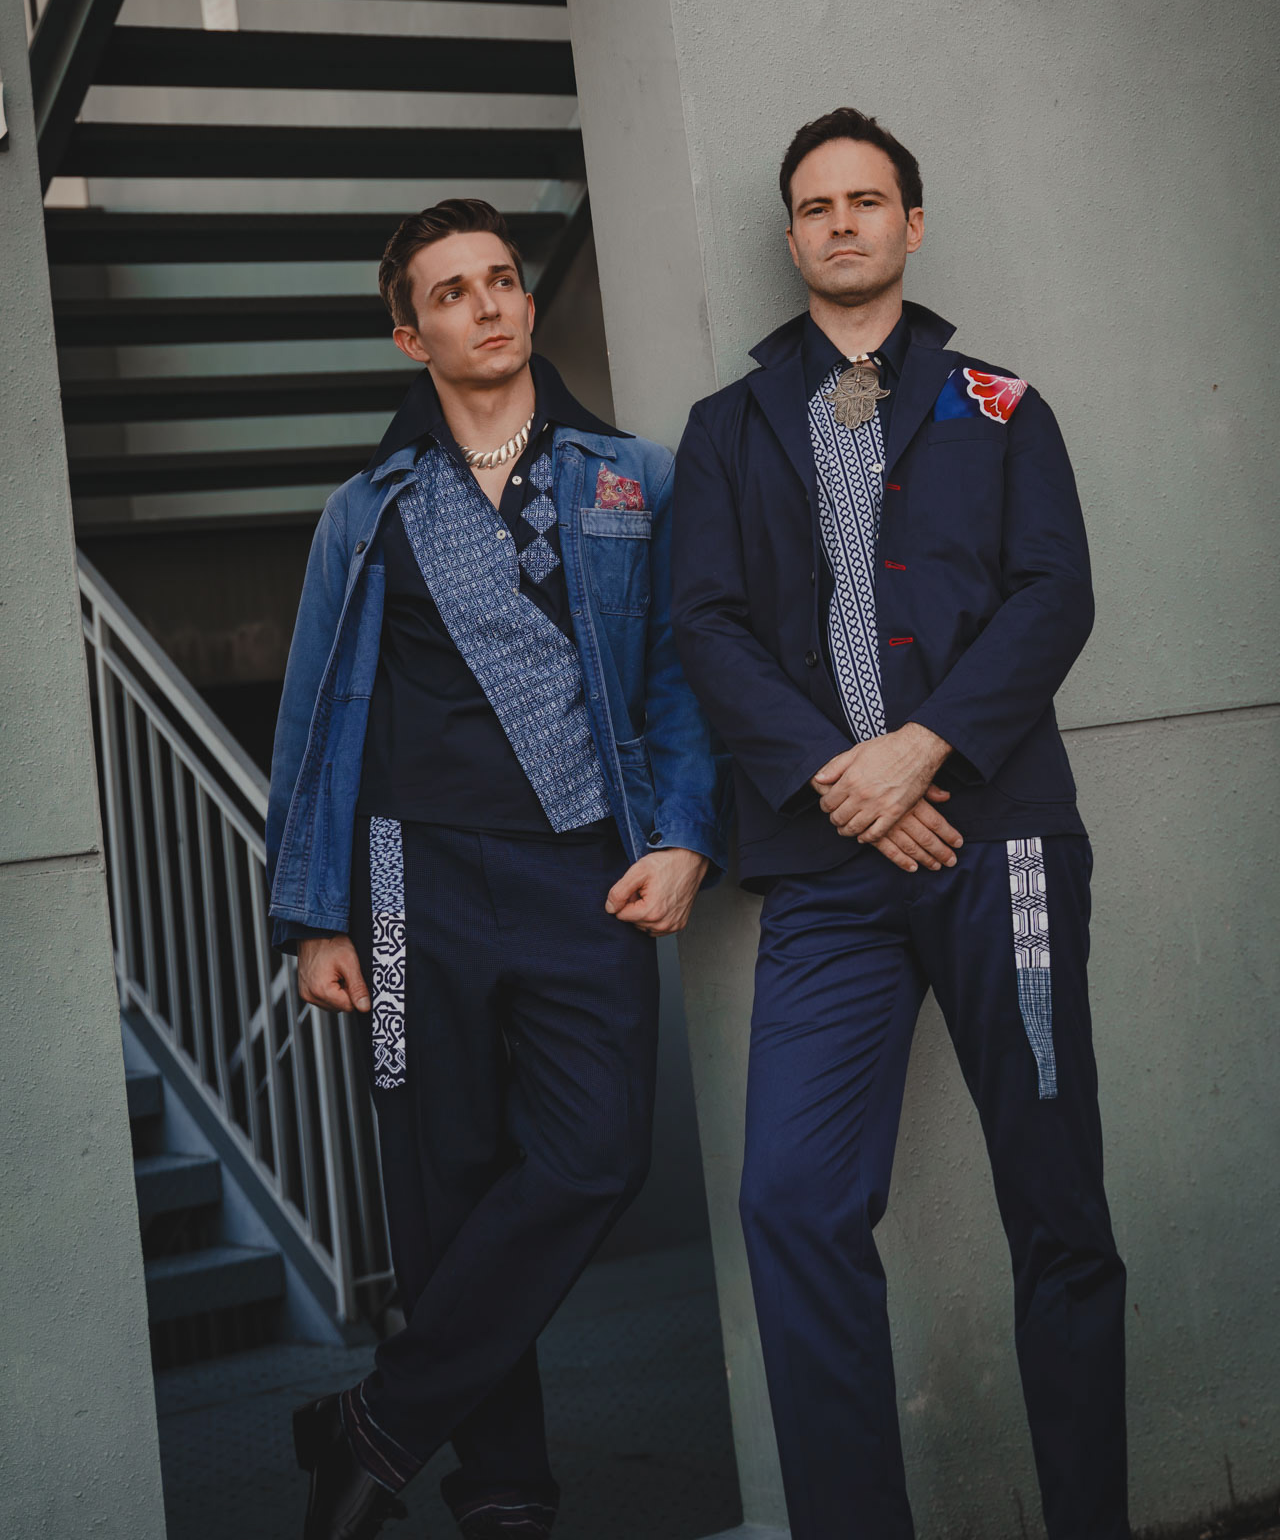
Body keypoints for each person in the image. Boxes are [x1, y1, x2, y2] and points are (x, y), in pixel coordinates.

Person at [670, 109, 1128, 1540]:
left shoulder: (1002, 403)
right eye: (817, 206)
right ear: (792, 236)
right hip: (827, 870)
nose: (843, 223)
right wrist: (841, 779)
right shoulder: (728, 429)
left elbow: (1056, 592)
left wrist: (921, 752)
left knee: (1058, 1208)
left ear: (911, 225)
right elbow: (706, 625)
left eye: (868, 200)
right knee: (791, 1202)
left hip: (1003, 846)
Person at [267, 197, 727, 1540]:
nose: (488, 304)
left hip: (587, 865)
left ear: (526, 299)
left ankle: (378, 1422)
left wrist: (687, 832)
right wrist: (315, 917)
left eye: (502, 278)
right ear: (410, 336)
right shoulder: (364, 512)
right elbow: (310, 719)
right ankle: (506, 1490)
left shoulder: (633, 476)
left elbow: (683, 672)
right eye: (452, 291)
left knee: (596, 1156)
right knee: (446, 1189)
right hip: (408, 881)